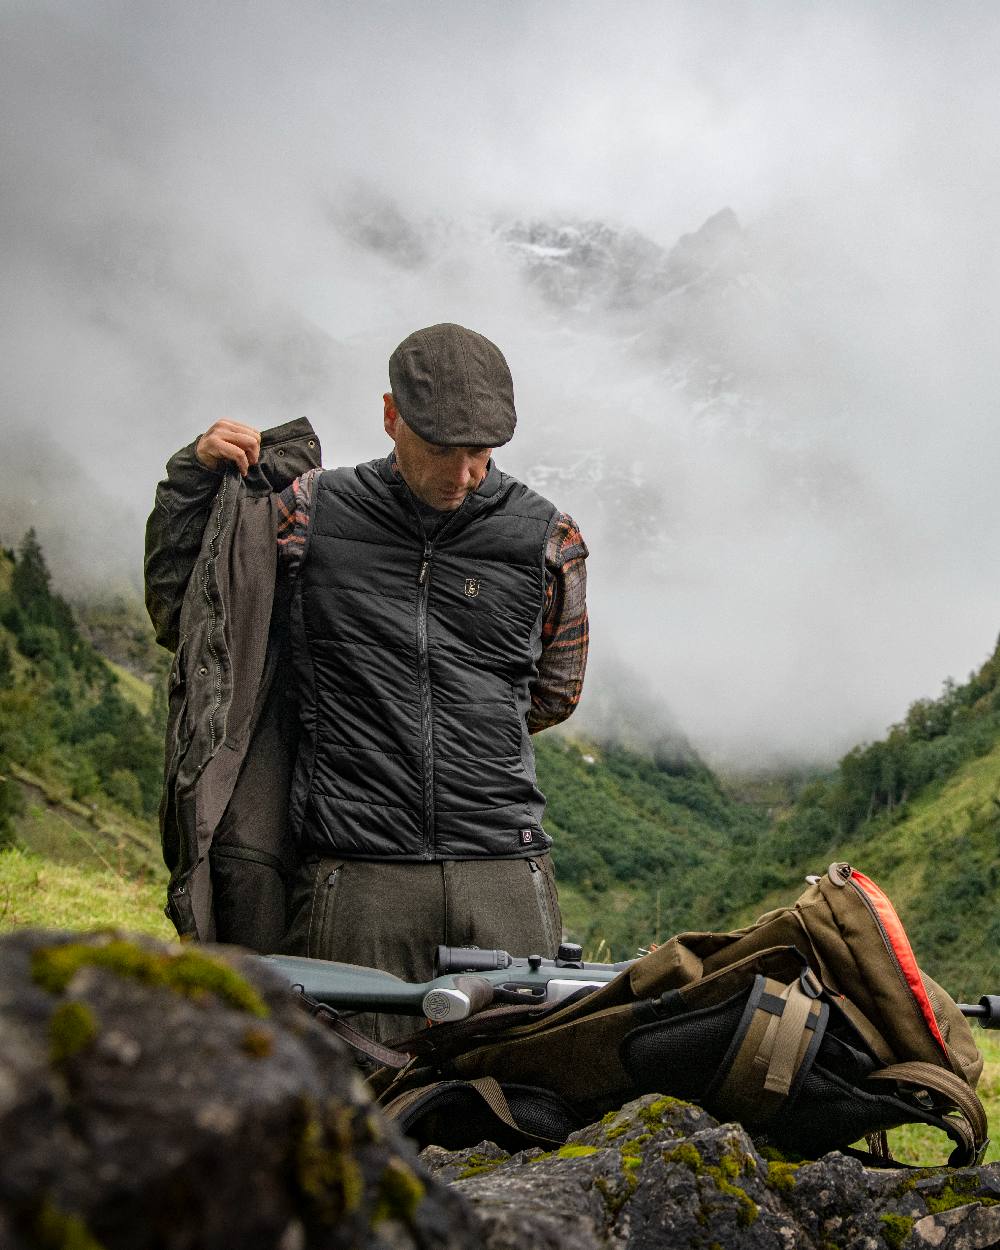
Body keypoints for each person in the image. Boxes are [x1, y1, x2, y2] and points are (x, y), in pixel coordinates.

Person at [145, 323, 588, 1038]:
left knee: (518, 1108)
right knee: (350, 1099)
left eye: (481, 454)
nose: (463, 475)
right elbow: (195, 626)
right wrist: (193, 482)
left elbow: (554, 694)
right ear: (391, 418)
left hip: (507, 873)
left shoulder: (547, 539)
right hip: (354, 877)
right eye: (442, 450)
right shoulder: (307, 514)